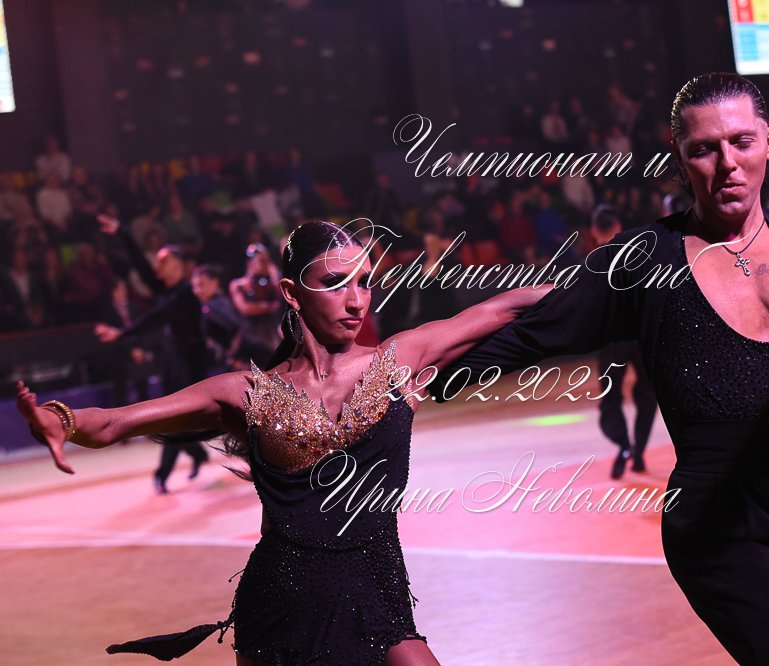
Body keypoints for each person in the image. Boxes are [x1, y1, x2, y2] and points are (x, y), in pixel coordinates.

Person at [426, 73, 769, 665]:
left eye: (741, 142)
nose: (727, 164)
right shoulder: (646, 260)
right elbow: (537, 329)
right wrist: (425, 378)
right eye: (705, 149)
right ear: (680, 157)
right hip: (718, 526)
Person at [17, 219, 551, 665]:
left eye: (365, 282)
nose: (356, 300)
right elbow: (113, 423)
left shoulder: (398, 361)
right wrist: (57, 419)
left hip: (378, 595)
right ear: (293, 293)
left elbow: (503, 310)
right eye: (336, 283)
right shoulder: (244, 392)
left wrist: (593, 282)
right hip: (280, 607)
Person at [93, 221, 210, 494]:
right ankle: (197, 453)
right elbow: (142, 269)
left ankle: (163, 474)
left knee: (174, 422)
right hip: (173, 360)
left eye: (163, 260)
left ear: (178, 265)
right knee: (176, 421)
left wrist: (122, 333)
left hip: (190, 365)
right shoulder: (167, 290)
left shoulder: (186, 294)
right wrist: (123, 234)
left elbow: (157, 316)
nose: (158, 265)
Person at [589, 204, 658, 478]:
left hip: (611, 340)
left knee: (610, 398)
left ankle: (624, 446)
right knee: (647, 395)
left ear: (594, 231)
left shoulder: (592, 262)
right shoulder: (639, 255)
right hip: (640, 337)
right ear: (618, 227)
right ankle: (638, 451)